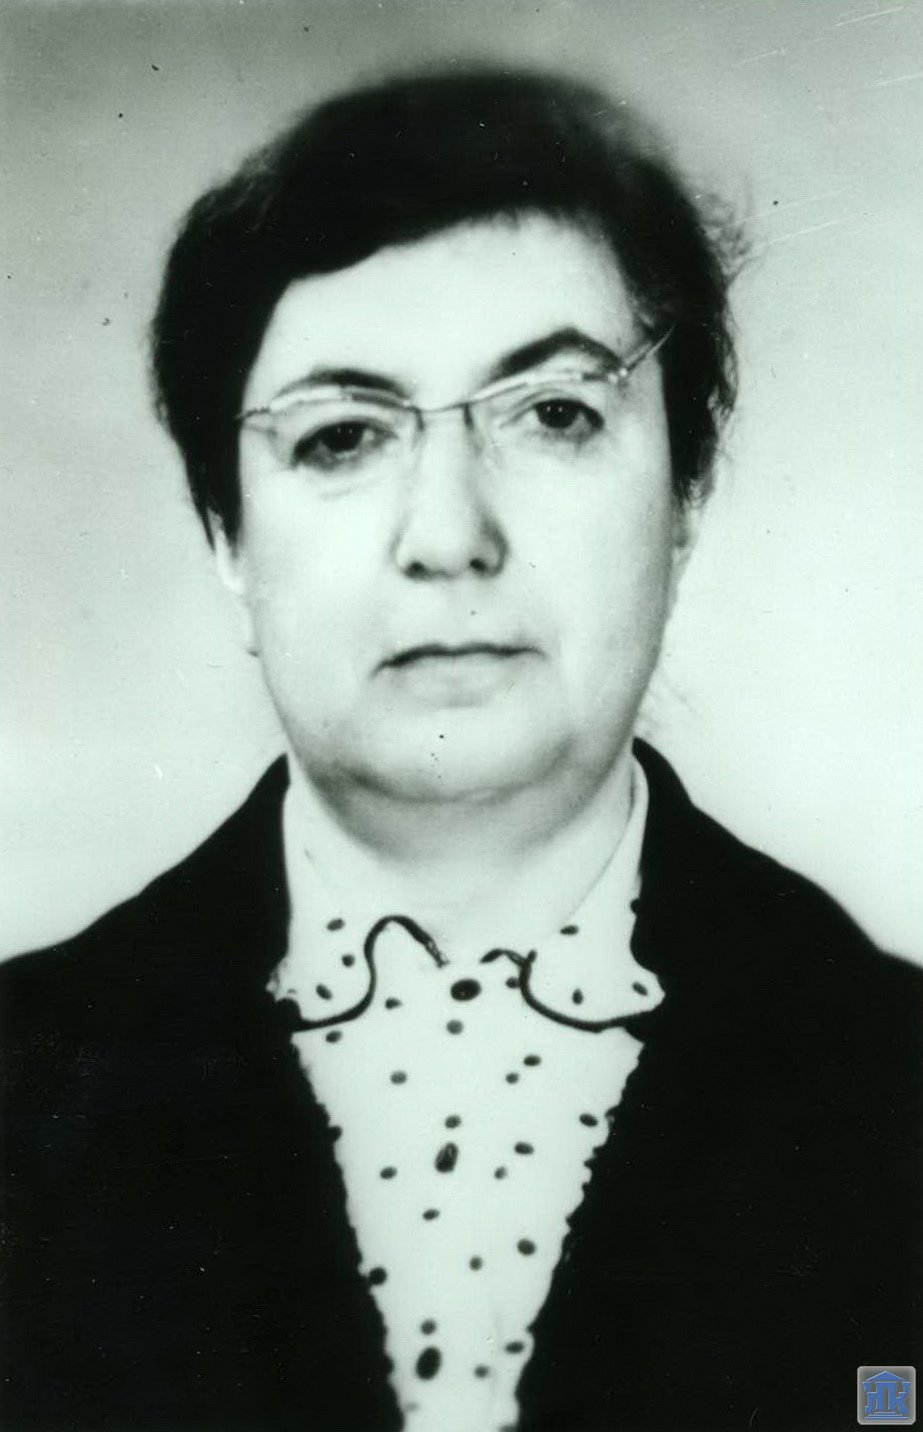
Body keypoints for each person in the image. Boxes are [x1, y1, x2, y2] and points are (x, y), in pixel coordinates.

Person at [1, 65, 919, 1432]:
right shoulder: (28, 1086)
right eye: (342, 436)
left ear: (685, 498)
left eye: (554, 413)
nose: (449, 536)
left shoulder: (892, 1079)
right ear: (226, 538)